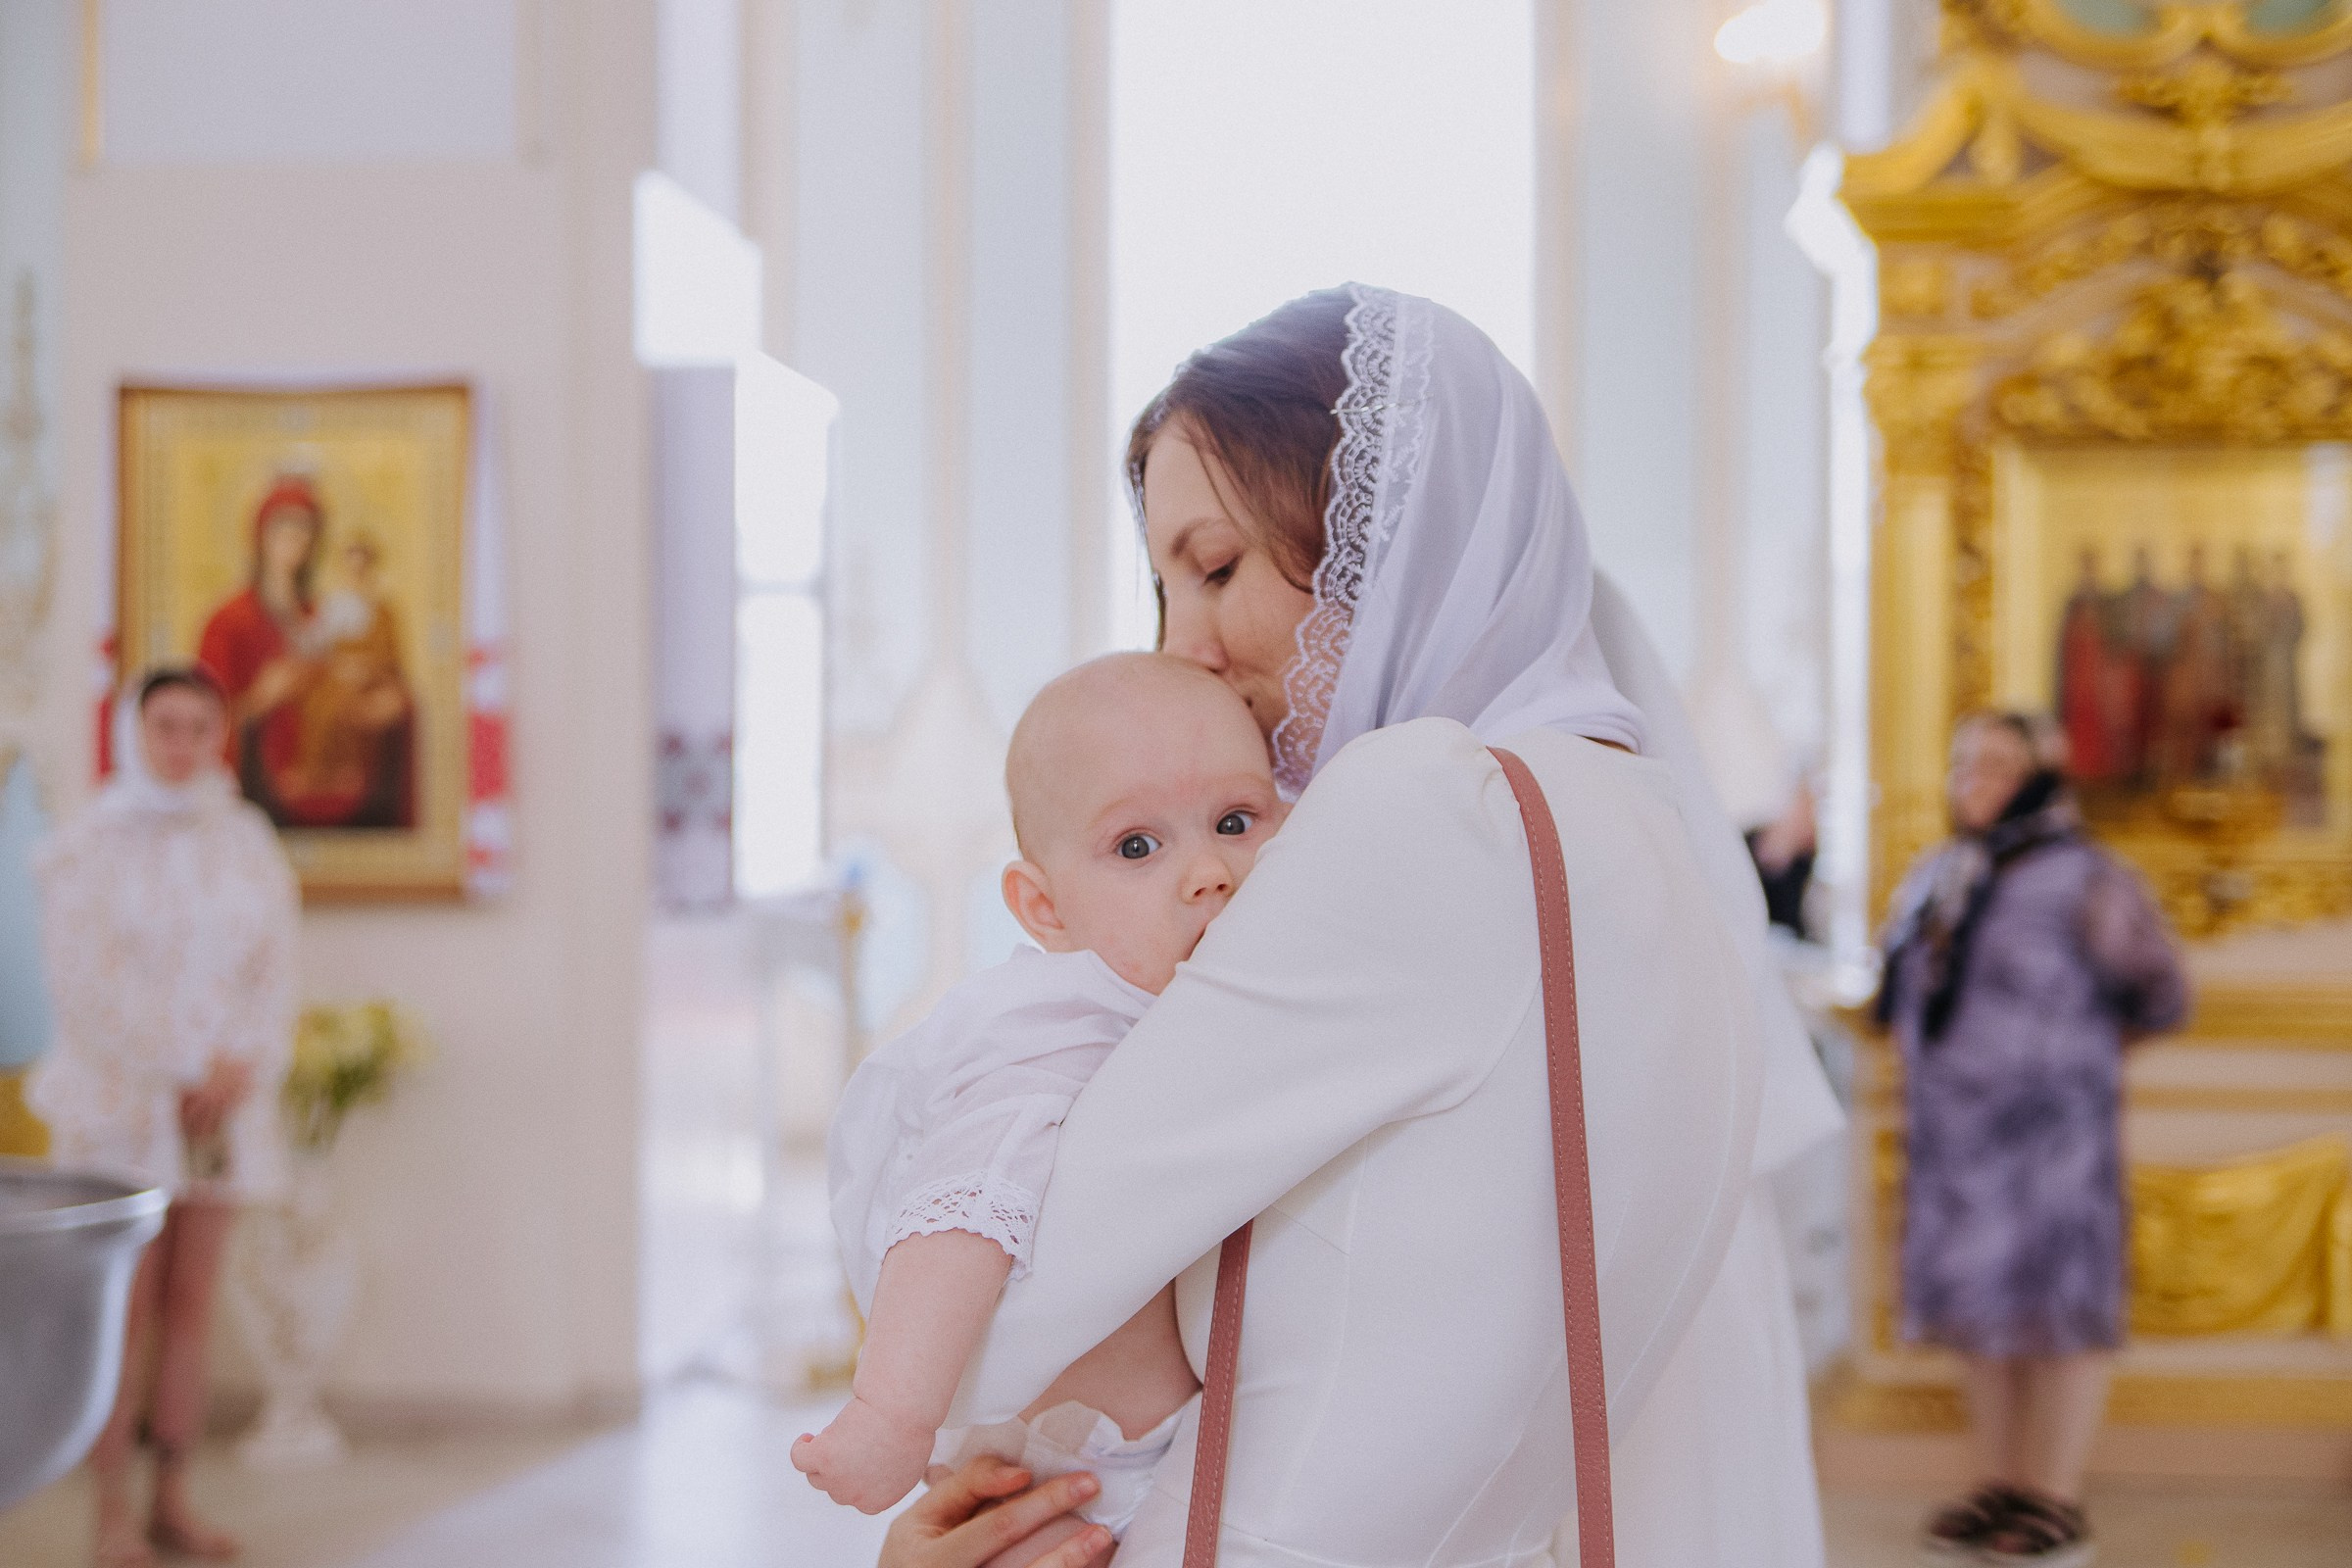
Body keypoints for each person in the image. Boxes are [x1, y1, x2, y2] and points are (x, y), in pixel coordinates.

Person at [876, 285, 1840, 1568]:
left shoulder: (1430, 815)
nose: (1187, 649)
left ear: (1386, 537)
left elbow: (1010, 1298)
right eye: (1164, 589)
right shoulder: (1637, 820)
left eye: (1216, 568)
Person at [800, 655, 1283, 1561]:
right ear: (1043, 908)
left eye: (1235, 821)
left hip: (1170, 1460)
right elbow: (961, 1206)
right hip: (1072, 1460)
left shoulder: (1237, 1002)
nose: (1209, 871)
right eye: (1137, 847)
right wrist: (892, 1412)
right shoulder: (1059, 1029)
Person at [1880, 711, 2186, 1565]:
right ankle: (1999, 1484)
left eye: (2000, 762)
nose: (1974, 775)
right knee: (1978, 1318)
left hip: (2053, 1149)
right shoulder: (1941, 871)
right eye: (1964, 760)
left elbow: (2161, 993)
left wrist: (2063, 1066)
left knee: (2059, 1315)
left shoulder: (2088, 876)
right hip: (1955, 1148)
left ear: (2045, 775)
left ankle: (2054, 1496)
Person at [27, 666, 299, 1568]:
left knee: (192, 1304)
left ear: (220, 734)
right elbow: (85, 982)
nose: (181, 744)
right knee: (124, 1310)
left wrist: (237, 1064)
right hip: (124, 1106)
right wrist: (180, 1066)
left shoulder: (247, 841)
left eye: (198, 727)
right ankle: (109, 1511)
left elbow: (275, 964)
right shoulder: (89, 845)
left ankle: (172, 1497)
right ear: (134, 733)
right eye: (165, 726)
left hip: (216, 1107)